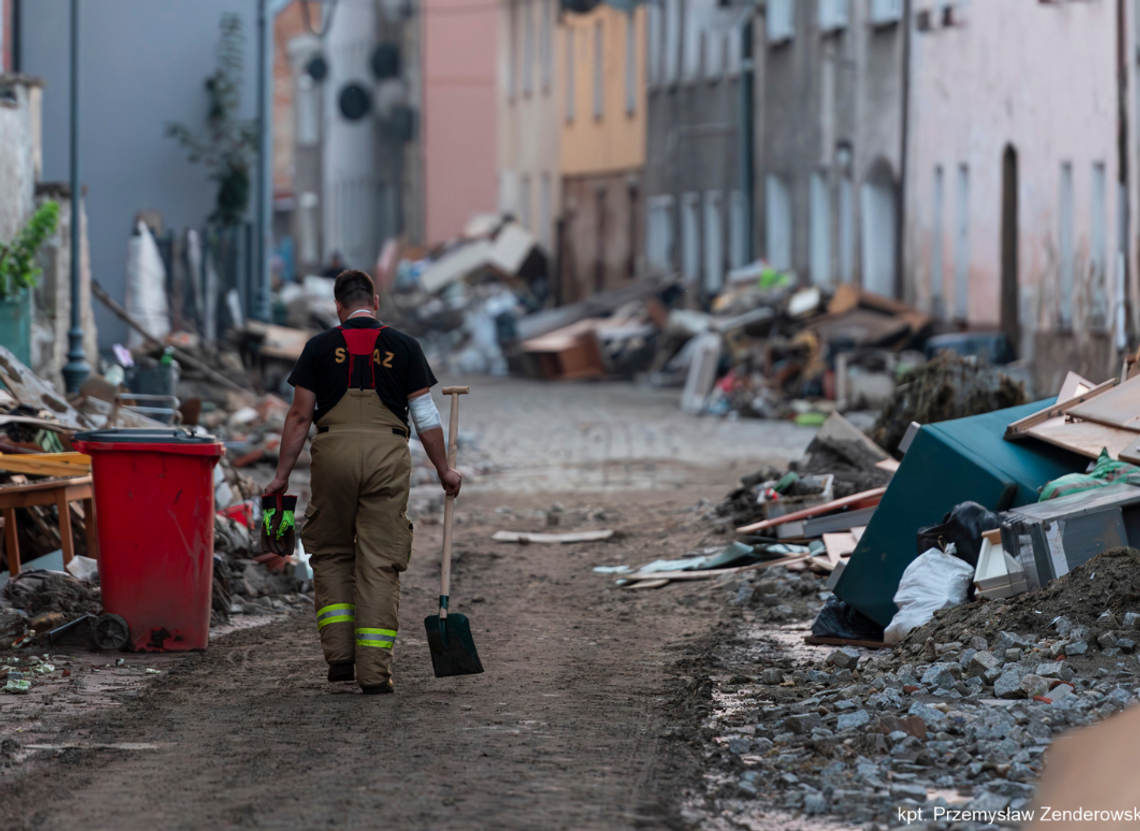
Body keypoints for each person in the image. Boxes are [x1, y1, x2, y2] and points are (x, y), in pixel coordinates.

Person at [265, 269, 462, 695]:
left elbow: (299, 417)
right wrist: (444, 469)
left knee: (333, 551)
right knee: (378, 560)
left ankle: (340, 657)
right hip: (386, 458)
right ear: (375, 302)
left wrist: (281, 476)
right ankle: (374, 673)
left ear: (337, 307)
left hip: (332, 456)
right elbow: (425, 417)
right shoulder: (405, 346)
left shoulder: (317, 347)